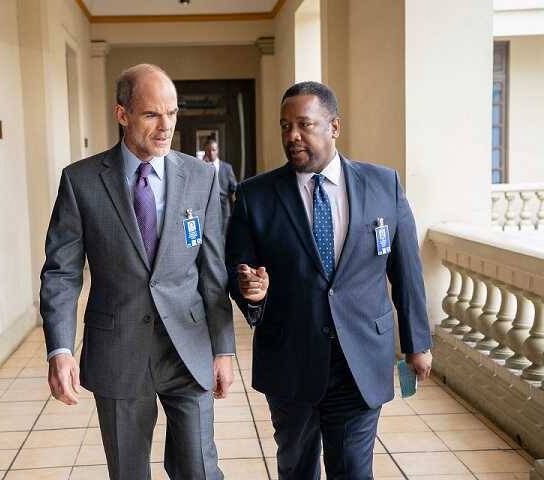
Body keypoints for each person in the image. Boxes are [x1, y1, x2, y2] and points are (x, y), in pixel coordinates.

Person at [225, 81, 432, 479]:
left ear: (334, 126)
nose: (292, 135)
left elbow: (406, 269)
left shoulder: (383, 185)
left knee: (353, 470)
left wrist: (417, 342)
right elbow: (239, 269)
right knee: (297, 468)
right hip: (290, 359)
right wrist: (251, 292)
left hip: (360, 358)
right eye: (285, 126)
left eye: (304, 124)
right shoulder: (255, 196)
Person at [40, 63, 235, 480]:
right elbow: (61, 272)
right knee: (128, 472)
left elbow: (213, 270)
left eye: (172, 113)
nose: (166, 126)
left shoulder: (201, 177)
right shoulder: (81, 181)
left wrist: (223, 348)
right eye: (151, 114)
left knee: (200, 470)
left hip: (187, 348)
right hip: (118, 350)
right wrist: (60, 350)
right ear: (122, 114)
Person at [203, 138, 237, 234]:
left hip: (223, 209)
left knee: (223, 237)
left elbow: (234, 187)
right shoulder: (202, 167)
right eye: (208, 150)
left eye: (213, 150)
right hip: (207, 209)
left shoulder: (227, 168)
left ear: (217, 150)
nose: (211, 153)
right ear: (205, 151)